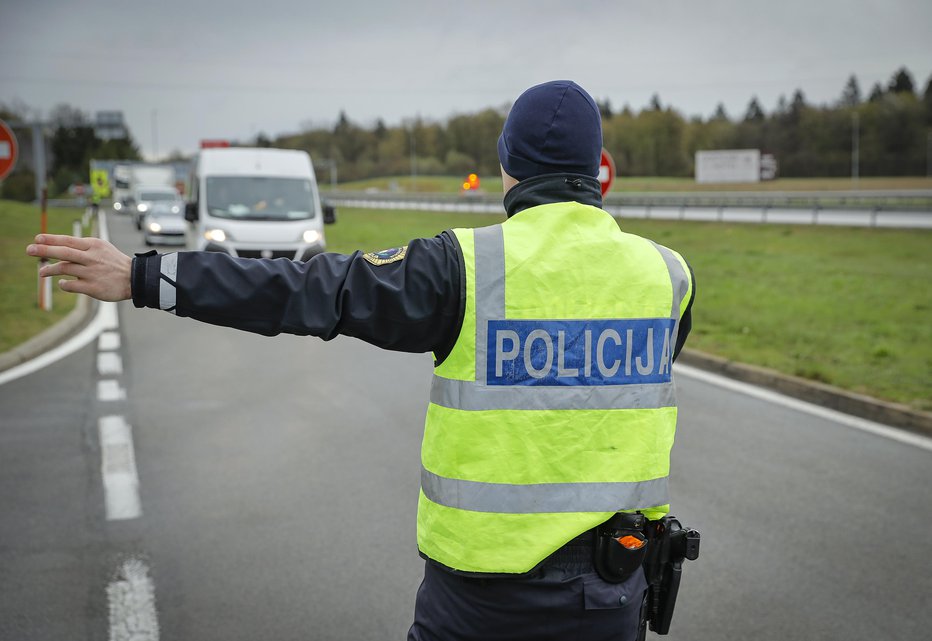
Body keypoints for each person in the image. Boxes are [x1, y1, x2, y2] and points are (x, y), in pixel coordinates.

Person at [27, 80, 694, 641]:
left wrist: (146, 277)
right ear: (598, 165)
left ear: (507, 168)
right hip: (611, 599)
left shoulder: (462, 266)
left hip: (479, 608)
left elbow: (305, 289)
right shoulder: (669, 279)